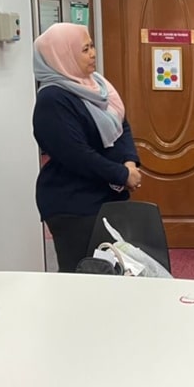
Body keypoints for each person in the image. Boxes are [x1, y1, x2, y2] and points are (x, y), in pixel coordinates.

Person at [32, 23, 142, 273]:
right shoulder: (52, 99)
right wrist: (122, 175)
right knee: (84, 275)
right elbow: (77, 155)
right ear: (63, 55)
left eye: (92, 46)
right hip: (74, 204)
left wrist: (129, 161)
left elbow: (121, 123)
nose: (93, 53)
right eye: (84, 49)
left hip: (109, 195)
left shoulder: (97, 86)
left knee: (115, 269)